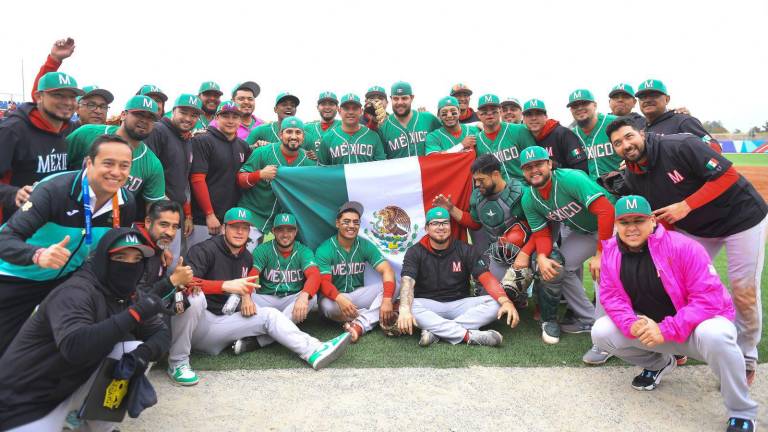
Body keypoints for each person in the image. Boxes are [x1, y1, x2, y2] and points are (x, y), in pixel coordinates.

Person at [607, 116, 768, 383]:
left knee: (743, 290)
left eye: (629, 136)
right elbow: (658, 220)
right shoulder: (633, 177)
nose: (625, 144)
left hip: (742, 218)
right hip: (698, 229)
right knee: (672, 282)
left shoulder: (680, 145)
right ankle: (676, 341)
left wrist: (687, 205)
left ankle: (746, 356)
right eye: (618, 143)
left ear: (642, 134)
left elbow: (727, 174)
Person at [592, 195, 758, 432]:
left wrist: (665, 329)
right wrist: (632, 324)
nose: (631, 228)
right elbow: (611, 297)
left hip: (696, 331)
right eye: (624, 222)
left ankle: (741, 411)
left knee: (716, 334)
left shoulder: (682, 246)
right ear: (616, 225)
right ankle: (659, 363)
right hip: (655, 330)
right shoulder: (611, 253)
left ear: (652, 221)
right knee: (601, 332)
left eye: (638, 220)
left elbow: (707, 299)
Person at [0, 228, 171, 432]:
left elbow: (161, 333)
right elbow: (75, 347)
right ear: (103, 260)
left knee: (130, 349)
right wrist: (134, 315)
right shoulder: (76, 292)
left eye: (137, 259)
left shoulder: (129, 294)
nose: (130, 265)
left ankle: (100, 426)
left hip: (73, 383)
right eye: (121, 257)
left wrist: (143, 355)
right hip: (28, 396)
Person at [166, 208, 351, 385]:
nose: (240, 232)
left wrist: (244, 296)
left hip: (221, 325)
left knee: (270, 315)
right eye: (234, 226)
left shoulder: (246, 257)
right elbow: (186, 284)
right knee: (192, 298)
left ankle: (314, 350)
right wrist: (224, 286)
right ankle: (178, 362)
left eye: (244, 227)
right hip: (199, 323)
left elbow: (249, 285)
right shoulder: (204, 250)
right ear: (224, 228)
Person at [0, 135, 137, 356]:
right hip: (17, 277)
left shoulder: (126, 202)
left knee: (52, 349)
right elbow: (5, 239)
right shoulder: (54, 190)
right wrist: (37, 255)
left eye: (124, 166)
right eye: (108, 163)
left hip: (67, 280)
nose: (116, 172)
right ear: (89, 163)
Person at [433, 155, 562, 344]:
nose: (477, 185)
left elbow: (541, 230)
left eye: (481, 180)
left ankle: (548, 318)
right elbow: (475, 224)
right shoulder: (478, 196)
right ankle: (517, 298)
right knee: (487, 299)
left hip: (532, 247)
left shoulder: (521, 192)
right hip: (501, 252)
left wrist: (525, 254)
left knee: (554, 265)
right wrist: (451, 209)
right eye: (475, 180)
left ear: (495, 174)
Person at [519, 146, 616, 364]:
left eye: (538, 165)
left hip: (614, 226)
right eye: (528, 167)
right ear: (523, 172)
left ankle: (608, 330)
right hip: (583, 232)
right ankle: (588, 318)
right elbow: (542, 233)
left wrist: (602, 253)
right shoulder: (529, 198)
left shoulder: (570, 179)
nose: (534, 170)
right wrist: (542, 256)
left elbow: (606, 211)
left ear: (549, 164)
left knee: (605, 271)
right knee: (559, 267)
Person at [395, 207, 520, 347]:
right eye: (435, 223)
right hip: (428, 305)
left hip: (460, 304)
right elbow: (407, 282)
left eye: (445, 223)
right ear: (426, 228)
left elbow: (486, 277)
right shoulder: (414, 252)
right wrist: (405, 309)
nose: (441, 227)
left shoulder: (465, 249)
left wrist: (505, 301)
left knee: (497, 303)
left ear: (450, 226)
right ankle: (468, 335)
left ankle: (436, 332)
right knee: (406, 305)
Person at [67, 95, 166, 222]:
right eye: (139, 114)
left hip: (109, 225)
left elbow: (154, 208)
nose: (145, 121)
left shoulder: (153, 164)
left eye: (151, 118)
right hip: (68, 213)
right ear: (124, 115)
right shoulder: (86, 133)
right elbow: (58, 162)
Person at [0, 71, 82, 222]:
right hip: (14, 224)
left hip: (53, 222)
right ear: (39, 97)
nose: (68, 102)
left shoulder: (71, 131)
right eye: (58, 95)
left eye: (72, 96)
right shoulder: (12, 130)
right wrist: (13, 193)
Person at [315, 202, 396, 342]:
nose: (351, 226)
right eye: (346, 222)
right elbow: (323, 283)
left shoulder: (364, 245)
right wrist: (339, 298)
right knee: (325, 306)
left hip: (358, 296)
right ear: (337, 224)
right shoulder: (325, 249)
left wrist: (388, 299)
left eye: (355, 222)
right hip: (334, 299)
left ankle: (359, 324)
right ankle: (382, 315)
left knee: (397, 285)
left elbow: (387, 270)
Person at [237, 116, 315, 246]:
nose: (294, 136)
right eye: (289, 132)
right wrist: (259, 174)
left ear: (303, 136)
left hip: (286, 220)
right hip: (254, 214)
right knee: (245, 257)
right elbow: (241, 179)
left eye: (298, 132)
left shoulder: (307, 162)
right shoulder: (262, 152)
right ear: (280, 134)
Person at [188, 101, 251, 247]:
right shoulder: (203, 140)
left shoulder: (243, 146)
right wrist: (209, 214)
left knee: (225, 267)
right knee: (198, 265)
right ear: (216, 118)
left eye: (235, 117)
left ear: (240, 120)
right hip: (203, 220)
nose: (230, 121)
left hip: (231, 221)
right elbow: (197, 179)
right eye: (225, 116)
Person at [144, 93, 202, 255]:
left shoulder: (186, 139)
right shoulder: (158, 130)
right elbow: (146, 172)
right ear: (173, 111)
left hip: (174, 214)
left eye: (194, 115)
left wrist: (187, 214)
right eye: (183, 112)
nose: (188, 118)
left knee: (171, 265)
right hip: (154, 214)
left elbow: (182, 182)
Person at [249, 213, 322, 322]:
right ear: (273, 231)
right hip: (267, 298)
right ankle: (279, 328)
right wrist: (246, 297)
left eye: (290, 230)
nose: (285, 234)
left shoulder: (303, 251)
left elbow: (314, 275)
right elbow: (250, 276)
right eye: (280, 230)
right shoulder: (263, 250)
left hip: (292, 299)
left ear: (296, 232)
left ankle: (268, 331)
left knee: (312, 297)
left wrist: (304, 295)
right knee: (244, 296)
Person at [635, 79, 721, 152]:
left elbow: (715, 149)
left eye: (653, 95)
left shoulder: (683, 121)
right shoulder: (641, 128)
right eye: (642, 97)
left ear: (667, 99)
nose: (647, 100)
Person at [135, 200, 194, 301]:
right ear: (148, 222)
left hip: (152, 310)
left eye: (175, 227)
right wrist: (173, 281)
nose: (170, 233)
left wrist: (178, 287)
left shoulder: (158, 245)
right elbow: (137, 300)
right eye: (164, 224)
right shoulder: (134, 250)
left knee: (194, 297)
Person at [475, 94, 536, 182]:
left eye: (493, 110)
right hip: (495, 193)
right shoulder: (477, 141)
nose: (489, 114)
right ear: (478, 114)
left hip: (524, 187)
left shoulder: (520, 130)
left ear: (500, 111)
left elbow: (534, 162)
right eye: (484, 111)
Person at [567, 89, 622, 181]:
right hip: (590, 193)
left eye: (584, 103)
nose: (579, 108)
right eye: (575, 106)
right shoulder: (570, 135)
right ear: (571, 110)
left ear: (595, 105)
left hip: (621, 187)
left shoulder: (615, 122)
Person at [376, 81, 441, 159]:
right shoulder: (383, 127)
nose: (400, 102)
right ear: (391, 99)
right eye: (396, 98)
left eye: (404, 98)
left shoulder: (429, 119)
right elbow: (381, 160)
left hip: (427, 170)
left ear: (412, 98)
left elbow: (446, 138)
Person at [522, 98, 588, 173]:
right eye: (529, 115)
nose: (534, 118)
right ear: (523, 119)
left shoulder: (562, 134)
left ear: (546, 117)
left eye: (538, 114)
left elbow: (581, 167)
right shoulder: (524, 138)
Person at [318, 93, 386, 165]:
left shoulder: (374, 136)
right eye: (346, 108)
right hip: (341, 177)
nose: (350, 112)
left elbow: (381, 167)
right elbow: (322, 171)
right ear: (339, 111)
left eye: (355, 108)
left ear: (361, 111)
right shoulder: (327, 139)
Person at [303, 91, 341, 161]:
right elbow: (293, 148)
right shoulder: (307, 128)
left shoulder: (344, 126)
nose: (327, 107)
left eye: (331, 104)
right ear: (317, 107)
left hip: (336, 169)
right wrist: (303, 153)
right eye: (323, 104)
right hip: (314, 170)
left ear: (337, 108)